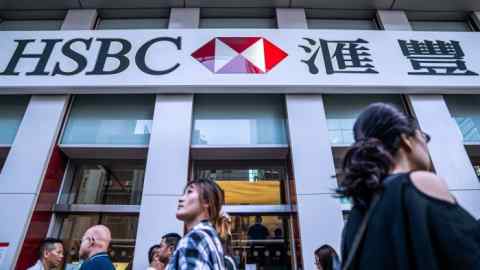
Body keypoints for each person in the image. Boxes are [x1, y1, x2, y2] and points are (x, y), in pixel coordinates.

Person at [337, 103, 480, 270]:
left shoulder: (355, 219)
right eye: (424, 137)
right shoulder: (419, 183)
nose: (427, 145)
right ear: (406, 139)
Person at [166, 178, 226, 270]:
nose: (181, 199)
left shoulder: (194, 238)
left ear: (206, 201)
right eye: (183, 194)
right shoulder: (213, 240)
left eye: (189, 192)